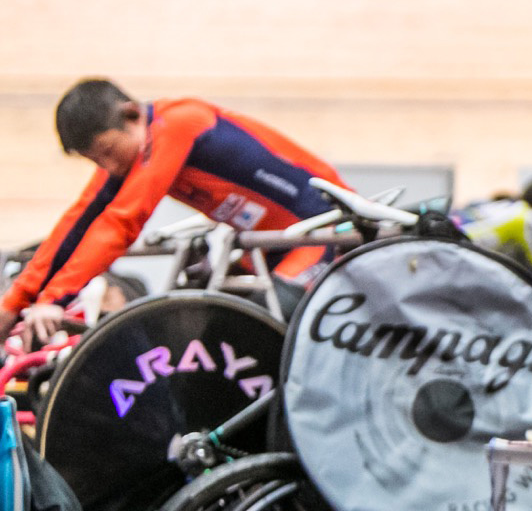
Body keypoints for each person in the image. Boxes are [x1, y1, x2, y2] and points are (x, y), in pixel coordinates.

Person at [1, 80, 343, 346]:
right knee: (208, 342)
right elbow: (77, 222)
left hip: (320, 230)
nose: (107, 166)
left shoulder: (177, 123)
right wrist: (14, 302)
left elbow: (122, 222)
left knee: (253, 334)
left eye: (107, 151)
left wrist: (56, 299)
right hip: (268, 248)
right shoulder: (130, 150)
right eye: (95, 161)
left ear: (132, 114)